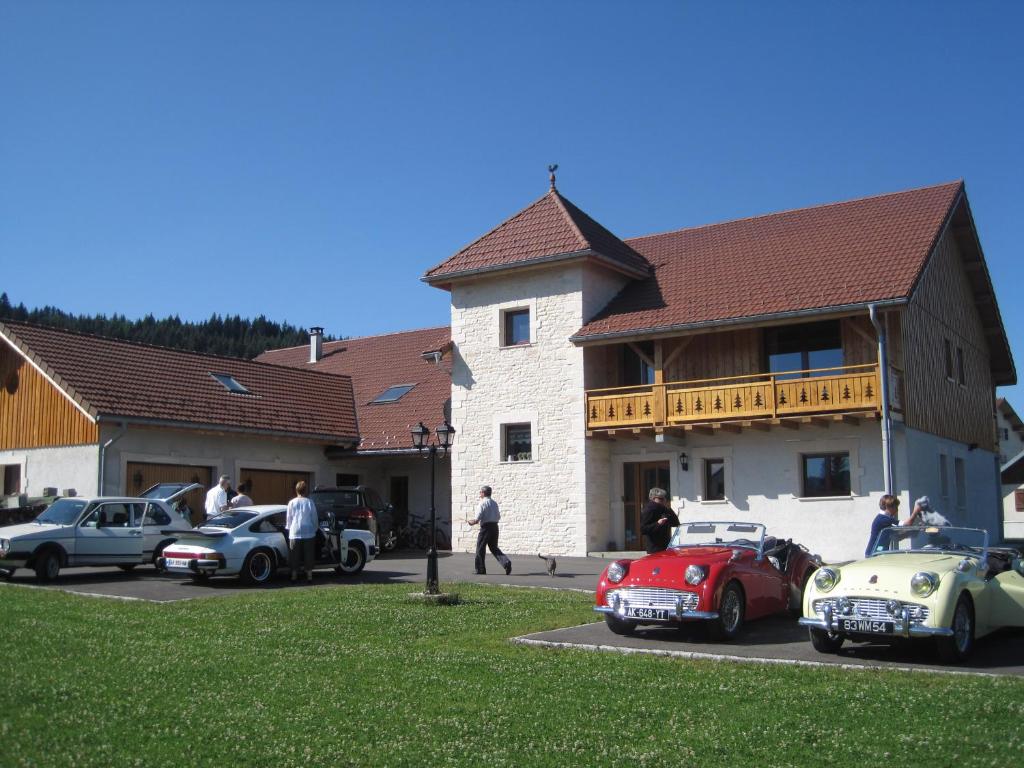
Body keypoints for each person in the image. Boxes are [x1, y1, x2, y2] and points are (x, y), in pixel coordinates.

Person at [468, 485, 511, 575]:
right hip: (495, 527)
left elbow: (477, 519)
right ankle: (506, 562)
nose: (480, 493)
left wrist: (471, 522)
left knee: (480, 548)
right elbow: (498, 517)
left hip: (486, 528)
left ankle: (480, 569)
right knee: (494, 547)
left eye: (480, 492)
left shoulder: (482, 503)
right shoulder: (494, 503)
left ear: (483, 493)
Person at [286, 480, 318, 584]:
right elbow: (314, 517)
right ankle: (309, 575)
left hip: (295, 531)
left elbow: (289, 518)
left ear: (296, 490)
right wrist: (315, 528)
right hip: (308, 530)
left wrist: (289, 528)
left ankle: (294, 575)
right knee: (308, 554)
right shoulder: (309, 502)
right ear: (306, 490)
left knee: (294, 554)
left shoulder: (291, 502)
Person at [639, 487, 680, 553]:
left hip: (666, 546)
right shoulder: (649, 510)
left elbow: (676, 523)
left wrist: (669, 509)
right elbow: (643, 529)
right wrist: (657, 524)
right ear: (653, 499)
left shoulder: (664, 509)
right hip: (655, 548)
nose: (663, 500)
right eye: (660, 498)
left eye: (664, 498)